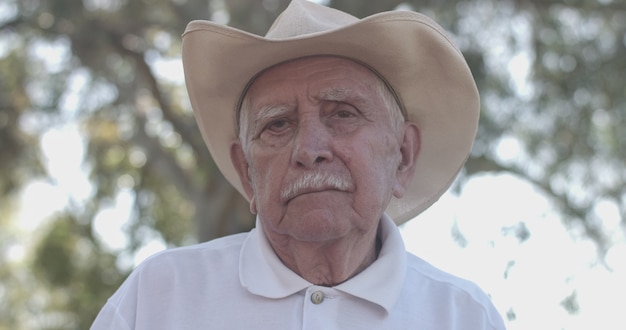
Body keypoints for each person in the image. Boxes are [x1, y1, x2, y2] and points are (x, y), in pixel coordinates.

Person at [91, 0, 506, 329]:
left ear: (403, 155)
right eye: (277, 124)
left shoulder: (464, 317)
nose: (309, 149)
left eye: (342, 113)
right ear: (246, 172)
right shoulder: (159, 298)